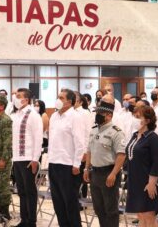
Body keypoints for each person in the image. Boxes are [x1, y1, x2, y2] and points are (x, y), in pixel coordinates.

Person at [83, 95, 126, 227]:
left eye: (100, 113)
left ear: (109, 115)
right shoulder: (94, 130)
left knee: (111, 210)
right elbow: (89, 151)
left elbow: (121, 155)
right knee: (99, 208)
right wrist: (86, 168)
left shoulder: (116, 132)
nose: (97, 115)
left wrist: (113, 174)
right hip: (95, 173)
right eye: (97, 113)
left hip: (109, 172)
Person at [48, 88, 85, 227]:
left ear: (69, 102)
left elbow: (80, 142)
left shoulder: (75, 117)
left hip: (68, 164)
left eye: (61, 98)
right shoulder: (54, 116)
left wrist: (76, 164)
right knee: (57, 201)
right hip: (54, 162)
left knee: (69, 201)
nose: (58, 100)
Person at [125, 105, 158, 227]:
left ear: (147, 120)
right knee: (140, 215)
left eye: (138, 117)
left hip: (147, 182)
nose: (134, 119)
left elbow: (157, 162)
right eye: (134, 116)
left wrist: (152, 183)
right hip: (134, 180)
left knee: (148, 215)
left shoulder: (154, 138)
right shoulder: (134, 135)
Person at [11, 88, 43, 227]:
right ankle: (24, 219)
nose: (15, 98)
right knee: (21, 191)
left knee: (30, 191)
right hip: (17, 158)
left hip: (29, 159)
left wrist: (35, 159)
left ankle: (31, 221)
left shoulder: (33, 115)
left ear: (26, 99)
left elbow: (38, 138)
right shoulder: (16, 114)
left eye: (18, 96)